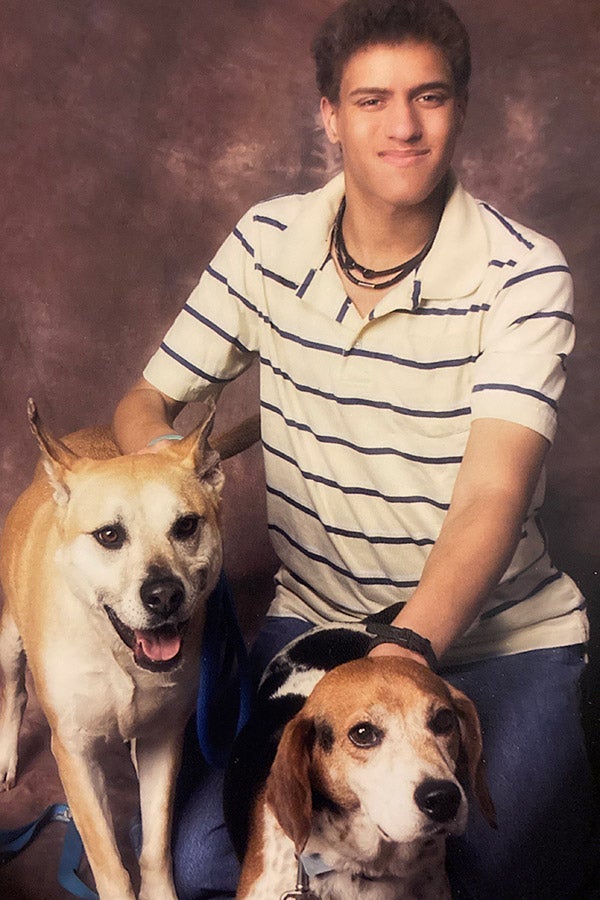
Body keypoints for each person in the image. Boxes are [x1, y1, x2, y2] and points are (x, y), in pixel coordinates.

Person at [113, 0, 597, 896]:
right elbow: (146, 404)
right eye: (371, 100)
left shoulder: (525, 272)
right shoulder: (267, 241)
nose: (403, 125)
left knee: (481, 859)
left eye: (430, 96)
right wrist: (181, 497)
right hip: (318, 620)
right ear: (329, 115)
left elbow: (494, 493)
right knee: (206, 866)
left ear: (461, 107)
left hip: (495, 636)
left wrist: (406, 651)